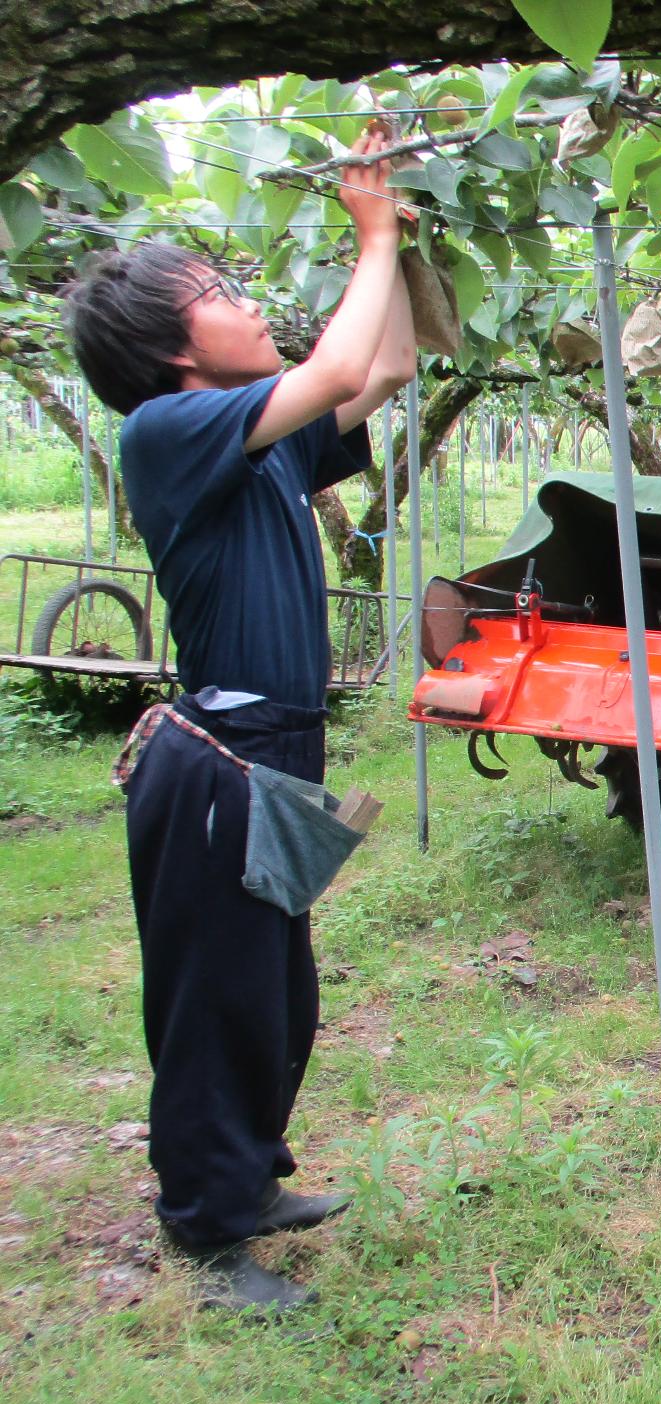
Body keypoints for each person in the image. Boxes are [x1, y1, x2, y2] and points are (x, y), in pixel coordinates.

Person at [65, 126, 415, 1313]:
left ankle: (252, 1175)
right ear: (168, 350)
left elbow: (379, 375)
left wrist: (400, 255)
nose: (246, 299)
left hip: (272, 752)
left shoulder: (254, 444)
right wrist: (364, 235)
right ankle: (206, 1231)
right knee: (215, 998)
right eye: (217, 293)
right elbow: (325, 374)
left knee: (274, 991)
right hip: (219, 761)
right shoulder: (167, 433)